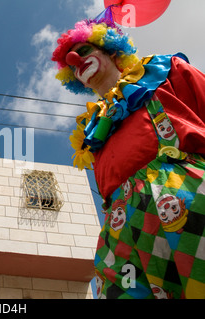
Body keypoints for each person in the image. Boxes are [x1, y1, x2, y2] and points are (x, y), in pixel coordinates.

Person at [52, 17, 205, 298]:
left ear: (111, 50)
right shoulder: (90, 128)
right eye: (71, 65)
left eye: (84, 51)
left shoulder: (164, 71)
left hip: (189, 198)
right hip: (120, 228)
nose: (77, 61)